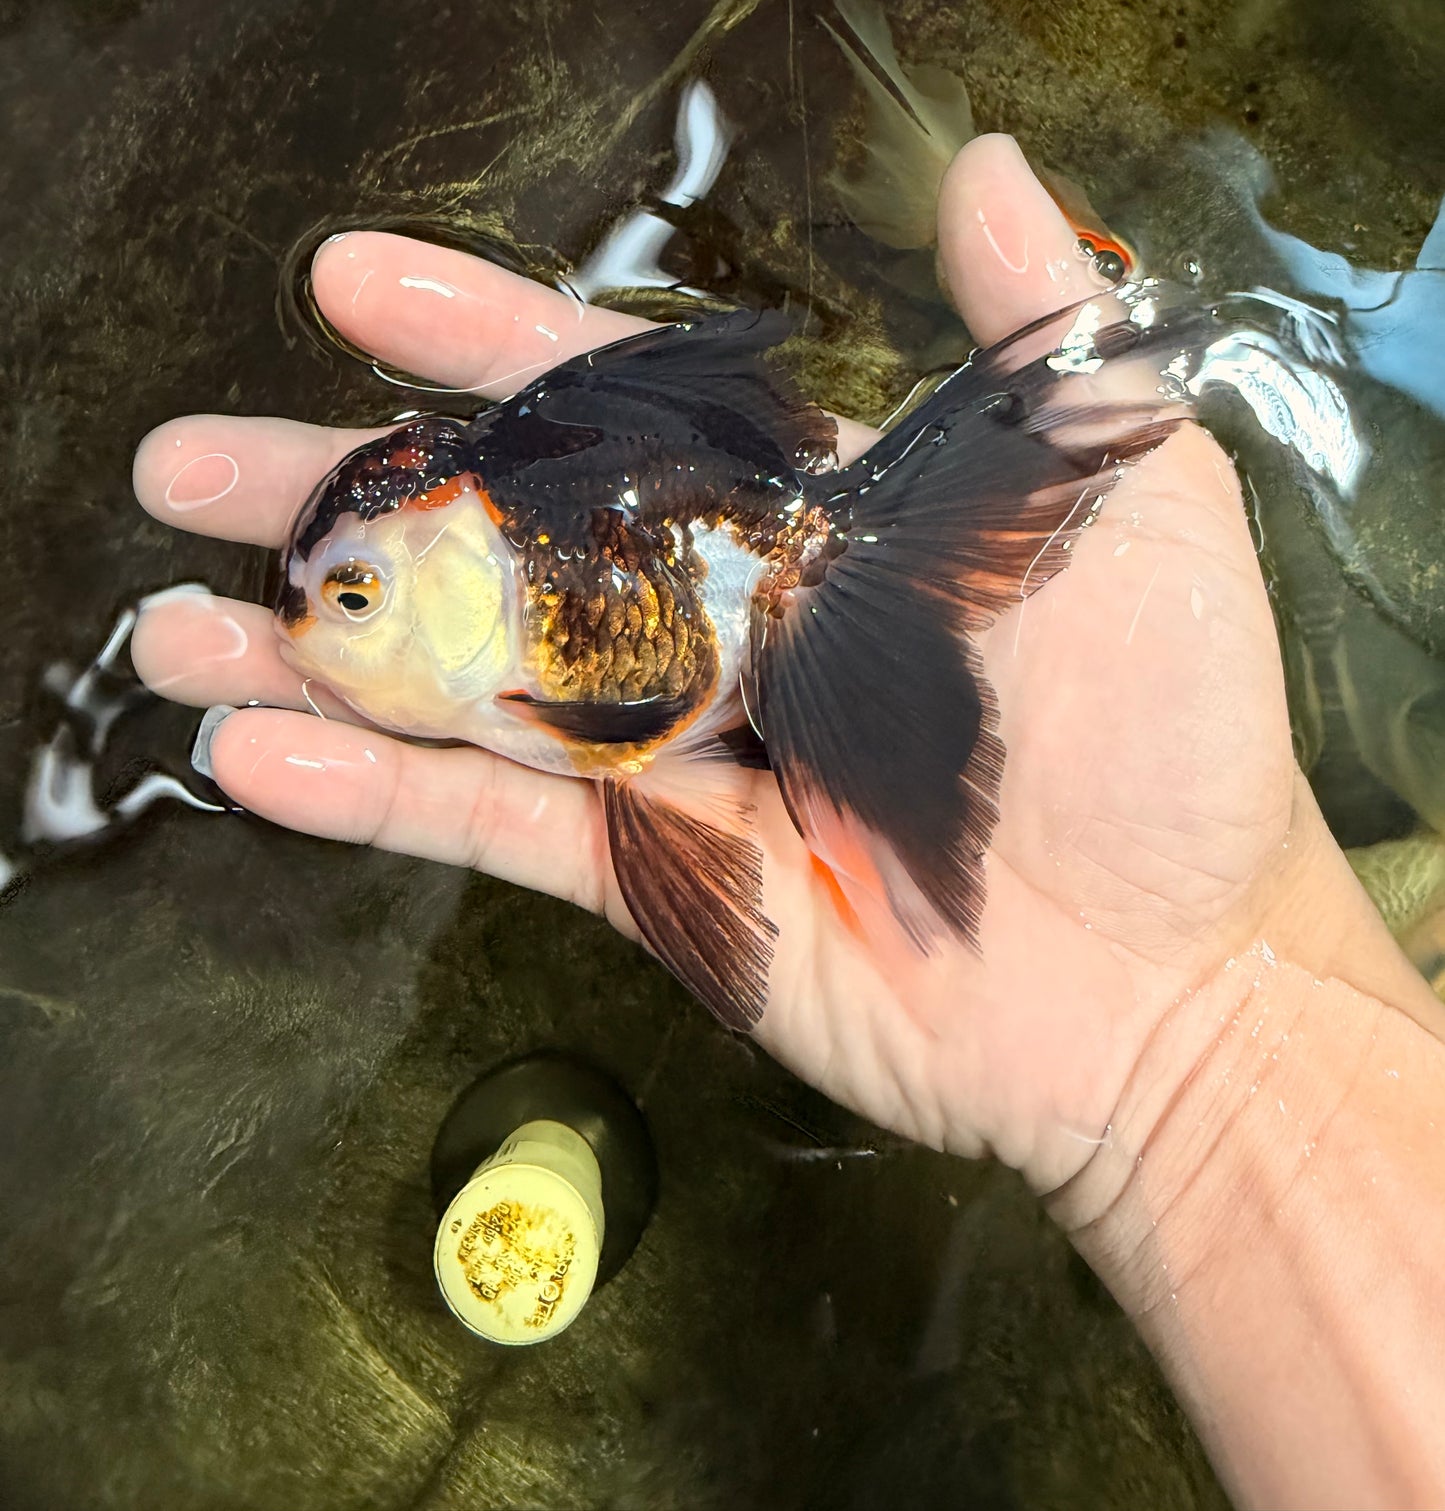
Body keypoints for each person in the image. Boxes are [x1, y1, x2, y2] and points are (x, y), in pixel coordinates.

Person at [131, 134, 1445, 1511]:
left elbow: (625, 722)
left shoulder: (569, 624)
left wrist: (1196, 1055)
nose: (324, 632)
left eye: (352, 604)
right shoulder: (510, 575)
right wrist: (1202, 1068)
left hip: (738, 605)